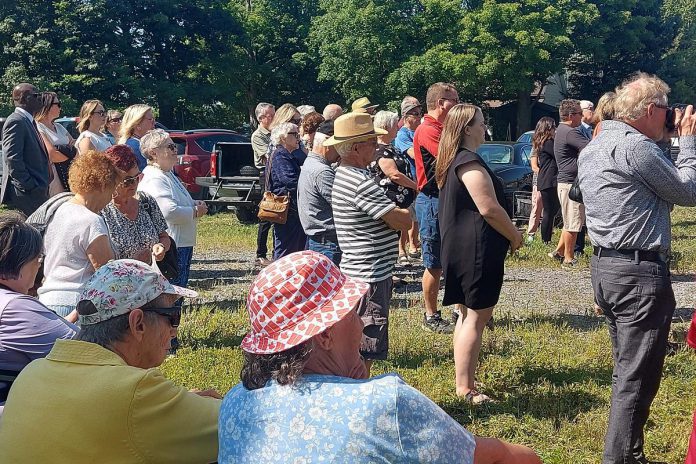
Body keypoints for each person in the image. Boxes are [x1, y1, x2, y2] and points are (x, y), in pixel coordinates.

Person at [218, 251, 541, 464]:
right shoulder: (383, 403)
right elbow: (506, 458)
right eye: (352, 312)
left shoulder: (235, 403)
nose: (362, 323)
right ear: (325, 334)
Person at [578, 73, 696, 464]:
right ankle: (621, 458)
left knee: (627, 370)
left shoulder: (596, 145)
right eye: (666, 109)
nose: (671, 116)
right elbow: (688, 192)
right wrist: (688, 140)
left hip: (607, 269)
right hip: (639, 273)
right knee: (637, 377)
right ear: (650, 110)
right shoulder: (635, 148)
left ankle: (628, 452)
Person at [0, 259, 221, 463]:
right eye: (173, 316)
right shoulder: (136, 391)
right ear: (138, 324)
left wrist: (173, 407)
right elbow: (246, 423)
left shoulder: (32, 373)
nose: (174, 331)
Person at [436, 104, 522, 403]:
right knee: (476, 316)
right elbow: (488, 208)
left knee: (465, 314)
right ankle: (466, 388)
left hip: (460, 247)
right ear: (467, 128)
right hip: (475, 249)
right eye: (482, 122)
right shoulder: (469, 163)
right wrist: (515, 235)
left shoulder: (453, 160)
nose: (485, 127)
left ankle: (463, 381)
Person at [326, 113, 411, 373]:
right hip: (369, 274)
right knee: (365, 343)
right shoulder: (360, 182)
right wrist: (404, 212)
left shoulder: (346, 175)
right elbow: (402, 221)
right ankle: (358, 390)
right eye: (371, 143)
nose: (377, 147)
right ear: (354, 148)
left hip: (359, 269)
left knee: (358, 339)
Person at [0, 213, 77, 412]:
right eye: (37, 258)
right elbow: (86, 351)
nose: (39, 265)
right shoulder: (15, 307)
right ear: (15, 262)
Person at [37, 150, 119, 321]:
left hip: (46, 300)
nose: (112, 197)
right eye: (113, 190)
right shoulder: (92, 221)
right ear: (104, 185)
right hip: (78, 304)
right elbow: (105, 272)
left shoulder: (58, 210)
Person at [414, 82, 461, 333]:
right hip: (432, 199)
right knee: (434, 262)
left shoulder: (442, 127)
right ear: (441, 103)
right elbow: (449, 156)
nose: (458, 104)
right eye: (455, 100)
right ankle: (430, 315)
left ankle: (457, 310)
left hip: (445, 198)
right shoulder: (427, 129)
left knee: (453, 257)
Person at [138, 129, 206, 289]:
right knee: (172, 291)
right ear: (154, 153)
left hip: (180, 241)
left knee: (178, 290)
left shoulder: (166, 174)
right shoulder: (155, 178)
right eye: (170, 147)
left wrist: (194, 204)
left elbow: (177, 202)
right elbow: (169, 211)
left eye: (174, 146)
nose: (176, 150)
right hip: (171, 244)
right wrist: (195, 211)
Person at [101, 144, 171, 262]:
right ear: (110, 179)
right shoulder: (101, 210)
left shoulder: (146, 200)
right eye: (127, 181)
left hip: (150, 276)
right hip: (119, 279)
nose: (134, 184)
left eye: (137, 177)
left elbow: (164, 237)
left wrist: (161, 247)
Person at [368, 110, 417, 263]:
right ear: (385, 127)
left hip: (399, 201)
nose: (398, 127)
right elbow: (393, 174)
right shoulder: (380, 150)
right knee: (385, 241)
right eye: (395, 125)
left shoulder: (391, 147)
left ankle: (390, 271)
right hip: (388, 202)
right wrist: (416, 186)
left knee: (391, 240)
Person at [1, 83, 52, 216]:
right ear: (24, 99)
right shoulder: (16, 121)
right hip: (26, 195)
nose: (40, 98)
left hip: (36, 192)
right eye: (36, 95)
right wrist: (30, 186)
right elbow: (12, 158)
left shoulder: (29, 121)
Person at [297, 120, 342, 264]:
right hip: (328, 242)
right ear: (328, 143)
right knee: (334, 286)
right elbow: (342, 204)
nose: (341, 151)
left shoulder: (310, 163)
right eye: (339, 146)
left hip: (320, 240)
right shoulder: (322, 171)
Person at [552, 99, 589, 267]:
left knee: (569, 220)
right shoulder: (570, 132)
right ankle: (568, 257)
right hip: (569, 183)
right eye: (580, 114)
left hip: (565, 182)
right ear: (571, 115)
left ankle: (558, 251)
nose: (582, 117)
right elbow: (590, 147)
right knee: (573, 222)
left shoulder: (561, 129)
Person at [267, 122, 306, 259]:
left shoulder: (285, 154)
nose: (298, 137)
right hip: (287, 210)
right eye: (294, 134)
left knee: (294, 248)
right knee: (285, 249)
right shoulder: (280, 155)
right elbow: (289, 180)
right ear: (283, 137)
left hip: (290, 210)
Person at [394, 96, 423, 257]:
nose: (419, 117)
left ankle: (413, 244)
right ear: (405, 117)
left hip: (419, 179)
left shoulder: (419, 131)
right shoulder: (402, 135)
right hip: (408, 180)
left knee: (416, 216)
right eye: (414, 114)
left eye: (419, 113)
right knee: (405, 215)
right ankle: (401, 249)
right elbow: (414, 154)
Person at [35, 91, 75, 192]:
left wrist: (61, 151)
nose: (60, 107)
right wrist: (71, 155)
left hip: (68, 172)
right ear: (47, 106)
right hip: (53, 177)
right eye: (58, 104)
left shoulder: (59, 126)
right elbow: (52, 155)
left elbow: (74, 145)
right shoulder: (38, 127)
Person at [251, 102, 275, 267]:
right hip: (266, 175)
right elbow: (269, 157)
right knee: (267, 215)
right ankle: (260, 254)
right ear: (261, 118)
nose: (275, 119)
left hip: (276, 174)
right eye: (271, 116)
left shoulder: (275, 133)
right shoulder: (258, 136)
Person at [533, 117, 560, 244]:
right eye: (554, 126)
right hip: (549, 179)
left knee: (552, 211)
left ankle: (547, 237)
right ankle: (545, 239)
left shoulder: (542, 142)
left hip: (546, 180)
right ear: (549, 128)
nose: (556, 129)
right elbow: (558, 155)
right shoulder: (548, 143)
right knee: (549, 212)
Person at [119, 104, 156, 171]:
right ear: (138, 124)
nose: (154, 123)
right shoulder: (135, 147)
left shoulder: (136, 144)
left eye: (154, 119)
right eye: (150, 119)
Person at [525, 147, 543, 242]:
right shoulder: (536, 148)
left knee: (548, 210)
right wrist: (546, 174)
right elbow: (534, 166)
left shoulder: (553, 145)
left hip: (550, 182)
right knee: (536, 207)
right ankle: (531, 233)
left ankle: (546, 232)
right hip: (538, 182)